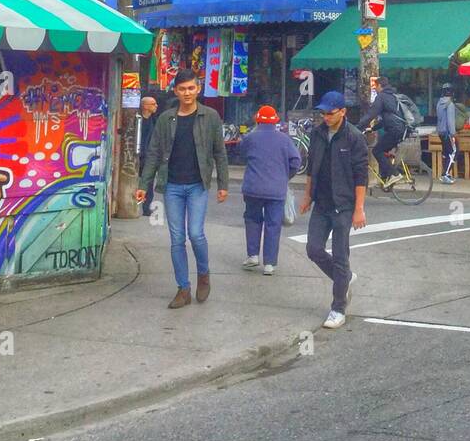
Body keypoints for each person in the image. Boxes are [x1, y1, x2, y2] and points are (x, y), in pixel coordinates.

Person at [136, 69, 230, 309]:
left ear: (198, 89)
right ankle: (183, 288)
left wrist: (223, 185)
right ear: (176, 91)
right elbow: (154, 153)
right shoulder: (166, 118)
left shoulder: (210, 117)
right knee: (177, 238)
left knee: (196, 234)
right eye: (182, 89)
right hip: (173, 186)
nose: (187, 93)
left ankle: (204, 273)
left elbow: (219, 152)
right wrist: (143, 185)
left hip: (198, 184)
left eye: (191, 88)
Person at [300, 91, 369, 329]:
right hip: (321, 202)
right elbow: (311, 167)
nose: (326, 118)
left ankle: (338, 307)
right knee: (313, 248)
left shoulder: (354, 137)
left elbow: (361, 175)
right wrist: (307, 196)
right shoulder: (317, 134)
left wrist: (359, 209)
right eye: (323, 113)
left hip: (344, 205)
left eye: (330, 113)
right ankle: (345, 279)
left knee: (341, 256)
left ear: (342, 112)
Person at [237, 106, 301, 276]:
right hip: (276, 190)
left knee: (252, 219)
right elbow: (296, 161)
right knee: (273, 225)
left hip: (253, 188)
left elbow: (241, 152)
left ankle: (252, 256)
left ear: (258, 120)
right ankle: (270, 264)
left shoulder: (250, 138)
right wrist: (285, 175)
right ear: (275, 121)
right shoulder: (284, 140)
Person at [361, 74, 407, 181]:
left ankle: (394, 174)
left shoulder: (381, 97)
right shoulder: (392, 96)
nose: (375, 90)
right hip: (400, 130)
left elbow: (371, 114)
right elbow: (386, 120)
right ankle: (386, 177)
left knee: (376, 151)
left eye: (376, 87)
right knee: (383, 150)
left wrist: (358, 126)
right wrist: (372, 129)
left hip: (394, 131)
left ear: (380, 86)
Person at [137, 94, 160, 217]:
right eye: (153, 104)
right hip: (138, 155)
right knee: (137, 181)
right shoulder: (137, 119)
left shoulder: (154, 119)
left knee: (149, 182)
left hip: (149, 156)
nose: (156, 106)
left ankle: (146, 208)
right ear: (145, 106)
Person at [435, 83, 458, 184]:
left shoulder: (439, 103)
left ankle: (446, 174)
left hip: (440, 132)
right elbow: (450, 121)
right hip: (448, 133)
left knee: (446, 153)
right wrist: (453, 133)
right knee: (453, 152)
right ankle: (445, 174)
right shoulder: (450, 104)